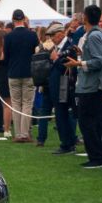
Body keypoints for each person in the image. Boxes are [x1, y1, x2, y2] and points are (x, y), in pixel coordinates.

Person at [65, 5, 102, 170]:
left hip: (91, 85)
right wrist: (81, 54)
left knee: (87, 122)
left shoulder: (93, 36)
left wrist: (78, 62)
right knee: (91, 121)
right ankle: (96, 155)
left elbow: (99, 61)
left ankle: (96, 157)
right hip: (92, 84)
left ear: (85, 17)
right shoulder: (98, 34)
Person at [5, 9, 40, 143]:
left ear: (13, 20)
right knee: (27, 103)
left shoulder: (8, 36)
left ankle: (18, 133)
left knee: (16, 104)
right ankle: (25, 133)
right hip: (29, 73)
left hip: (13, 73)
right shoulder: (32, 35)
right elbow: (36, 53)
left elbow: (6, 56)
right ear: (24, 19)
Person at [44, 23, 79, 156]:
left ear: (59, 34)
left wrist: (55, 59)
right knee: (61, 115)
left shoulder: (69, 46)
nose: (51, 39)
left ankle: (67, 144)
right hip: (59, 84)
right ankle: (67, 142)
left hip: (64, 85)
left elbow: (66, 64)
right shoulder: (60, 46)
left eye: (52, 36)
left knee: (62, 114)